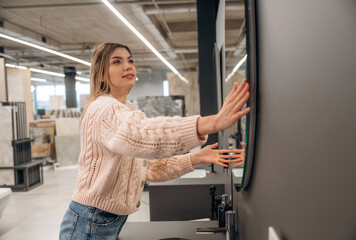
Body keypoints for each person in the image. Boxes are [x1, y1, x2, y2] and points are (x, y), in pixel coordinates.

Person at [59, 42, 250, 240]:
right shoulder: (103, 108)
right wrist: (210, 123)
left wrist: (196, 158)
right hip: (89, 221)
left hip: (103, 220)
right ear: (100, 74)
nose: (128, 66)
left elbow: (148, 168)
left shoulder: (128, 110)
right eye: (117, 61)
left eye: (130, 60)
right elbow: (144, 136)